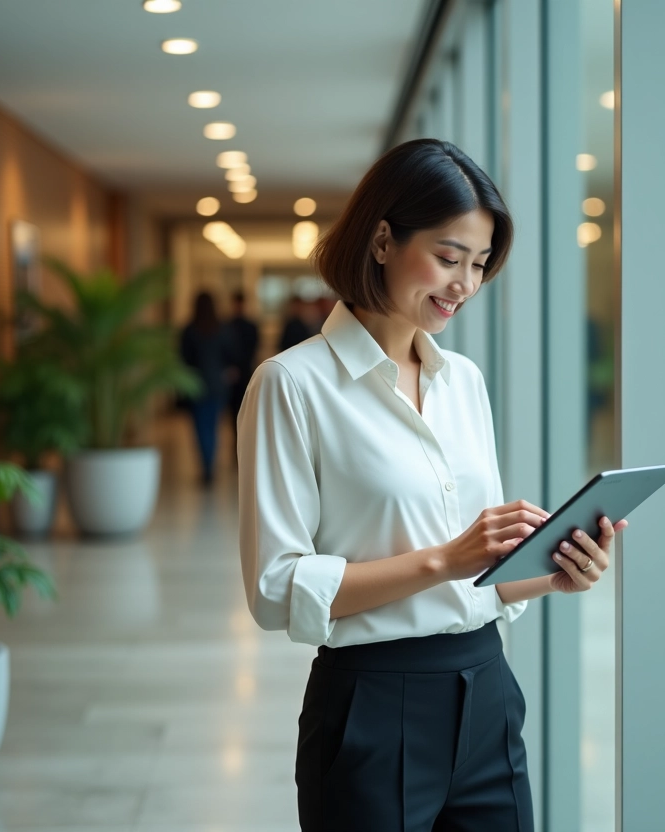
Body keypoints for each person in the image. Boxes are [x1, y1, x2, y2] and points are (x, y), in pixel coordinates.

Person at [237, 138, 627, 831]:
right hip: (371, 704)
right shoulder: (291, 385)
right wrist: (445, 558)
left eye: (479, 265)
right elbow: (275, 589)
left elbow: (478, 577)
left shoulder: (463, 381)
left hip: (486, 693)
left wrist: (548, 572)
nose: (465, 284)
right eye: (449, 258)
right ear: (382, 239)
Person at [180, 291, 236, 486]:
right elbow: (231, 355)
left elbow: (183, 359)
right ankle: (210, 466)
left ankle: (207, 468)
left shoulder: (189, 330)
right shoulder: (222, 328)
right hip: (218, 385)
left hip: (196, 385)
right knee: (213, 428)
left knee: (200, 429)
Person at [225, 289, 260, 429]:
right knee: (233, 412)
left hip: (245, 371)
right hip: (231, 374)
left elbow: (253, 348)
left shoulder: (250, 326)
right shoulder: (227, 325)